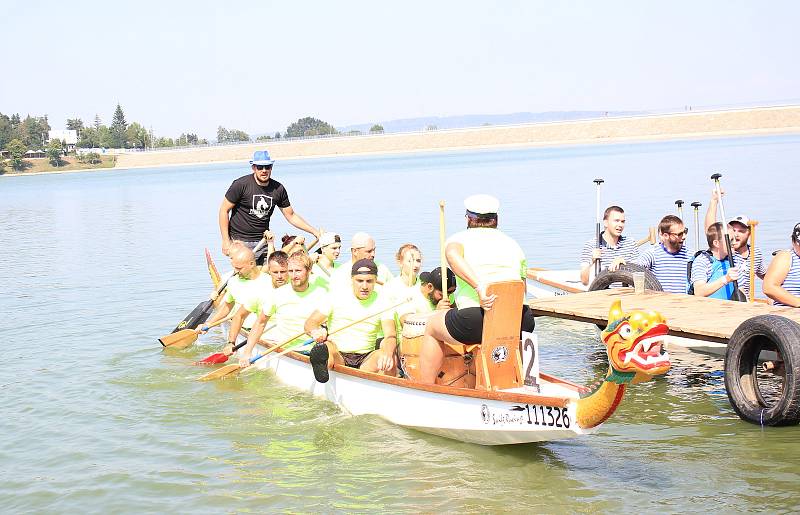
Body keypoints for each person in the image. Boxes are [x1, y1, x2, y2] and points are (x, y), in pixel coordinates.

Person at [417, 194, 534, 385]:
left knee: (432, 326)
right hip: (522, 320)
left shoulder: (459, 239)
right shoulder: (514, 244)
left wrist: (479, 286)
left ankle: (426, 387)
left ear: (469, 219)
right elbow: (523, 287)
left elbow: (452, 255)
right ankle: (516, 380)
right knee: (508, 331)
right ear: (496, 219)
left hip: (479, 317)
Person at [218, 149, 320, 263]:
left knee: (269, 271)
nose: (264, 170)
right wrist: (226, 241)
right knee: (245, 274)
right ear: (253, 168)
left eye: (267, 167)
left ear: (271, 167)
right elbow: (224, 210)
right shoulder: (241, 185)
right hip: (240, 241)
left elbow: (291, 215)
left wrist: (314, 231)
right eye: (260, 167)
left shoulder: (278, 189)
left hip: (264, 240)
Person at [304, 259, 398, 381]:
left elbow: (390, 334)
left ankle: (387, 391)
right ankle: (322, 371)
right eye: (360, 281)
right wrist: (315, 332)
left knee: (389, 359)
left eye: (369, 281)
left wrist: (388, 353)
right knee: (326, 348)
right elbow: (310, 322)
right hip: (338, 354)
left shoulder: (384, 301)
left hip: (366, 358)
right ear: (352, 280)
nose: (364, 286)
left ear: (376, 280)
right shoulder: (336, 296)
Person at [238, 253, 328, 367]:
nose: (294, 275)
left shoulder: (322, 293)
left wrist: (324, 330)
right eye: (290, 271)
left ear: (309, 270)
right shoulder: (278, 294)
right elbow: (261, 323)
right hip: (288, 350)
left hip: (315, 348)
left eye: (298, 271)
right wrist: (247, 353)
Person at [196, 242, 272, 354]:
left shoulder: (269, 281)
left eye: (239, 268)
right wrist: (209, 324)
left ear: (251, 264)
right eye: (234, 268)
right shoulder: (233, 282)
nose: (235, 272)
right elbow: (227, 306)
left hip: (265, 329)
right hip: (242, 328)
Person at [704, 189, 766, 296]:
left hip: (745, 301)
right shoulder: (727, 252)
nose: (736, 235)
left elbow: (766, 276)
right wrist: (714, 201)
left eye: (741, 231)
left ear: (749, 233)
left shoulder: (755, 253)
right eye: (734, 230)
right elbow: (710, 230)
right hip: (729, 300)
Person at [579, 205, 639, 285]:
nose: (620, 225)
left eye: (622, 221)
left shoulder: (630, 243)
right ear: (606, 223)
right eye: (616, 221)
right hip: (602, 294)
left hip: (626, 293)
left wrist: (624, 265)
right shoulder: (591, 245)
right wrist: (592, 261)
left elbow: (639, 276)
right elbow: (584, 281)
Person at [634, 215, 689, 294]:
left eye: (685, 232)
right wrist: (621, 262)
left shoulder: (690, 255)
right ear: (665, 236)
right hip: (660, 303)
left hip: (685, 303)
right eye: (679, 234)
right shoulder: (653, 254)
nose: (684, 236)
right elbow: (634, 268)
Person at [689, 222, 745, 300]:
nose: (735, 243)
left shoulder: (735, 260)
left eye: (735, 239)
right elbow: (699, 292)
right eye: (731, 240)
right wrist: (726, 279)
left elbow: (742, 290)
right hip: (708, 309)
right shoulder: (703, 261)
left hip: (730, 309)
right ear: (716, 243)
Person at [763, 223, 800, 307]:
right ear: (793, 242)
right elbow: (769, 288)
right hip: (788, 313)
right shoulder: (786, 256)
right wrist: (798, 302)